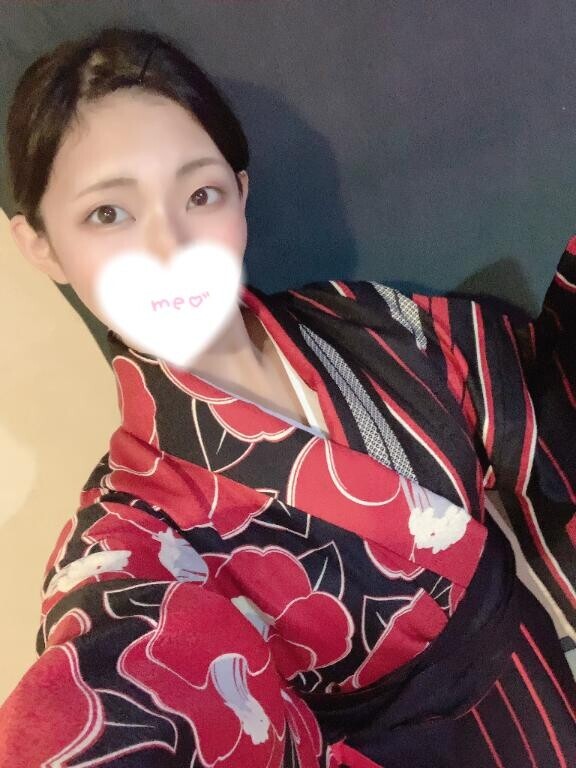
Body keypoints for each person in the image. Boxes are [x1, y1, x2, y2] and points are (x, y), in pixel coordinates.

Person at [0, 25, 574, 768]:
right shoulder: (129, 534)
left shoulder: (363, 321)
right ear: (40, 244)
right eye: (108, 213)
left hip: (548, 682)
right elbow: (122, 691)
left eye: (200, 194)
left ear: (241, 196)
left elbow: (539, 403)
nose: (171, 248)